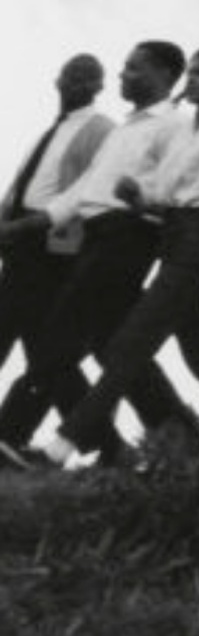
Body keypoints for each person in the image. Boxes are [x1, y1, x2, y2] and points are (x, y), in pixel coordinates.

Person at [30, 48, 199, 465]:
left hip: (198, 245)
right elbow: (169, 199)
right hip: (175, 241)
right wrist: (139, 198)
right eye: (189, 73)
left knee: (129, 343)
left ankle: (62, 445)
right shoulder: (189, 131)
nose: (190, 80)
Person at [0, 42, 199, 465]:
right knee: (115, 348)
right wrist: (23, 225)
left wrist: (144, 203)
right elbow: (82, 192)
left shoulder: (175, 126)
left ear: (166, 74)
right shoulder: (126, 129)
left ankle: (9, 433)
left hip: (128, 237)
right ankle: (186, 437)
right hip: (97, 238)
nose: (122, 76)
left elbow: (181, 189)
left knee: (59, 334)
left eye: (134, 68)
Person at [0, 55, 114, 457]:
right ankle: (101, 438)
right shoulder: (52, 129)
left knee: (25, 335)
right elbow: (24, 183)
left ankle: (97, 437)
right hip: (19, 236)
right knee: (44, 348)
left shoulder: (101, 130)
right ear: (57, 79)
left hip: (52, 244)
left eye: (85, 79)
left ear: (98, 86)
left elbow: (87, 190)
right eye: (68, 75)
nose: (73, 84)